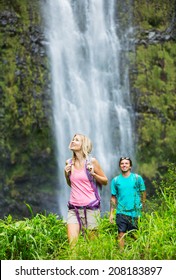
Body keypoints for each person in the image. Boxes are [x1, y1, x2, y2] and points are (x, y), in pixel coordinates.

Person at [64, 133, 108, 246]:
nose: (73, 141)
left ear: (83, 144)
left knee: (92, 246)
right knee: (72, 246)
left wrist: (93, 174)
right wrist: (66, 174)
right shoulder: (68, 163)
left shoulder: (91, 162)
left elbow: (105, 181)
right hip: (73, 208)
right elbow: (71, 184)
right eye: (73, 139)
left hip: (91, 208)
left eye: (77, 140)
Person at [109, 157, 146, 249]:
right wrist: (111, 213)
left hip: (135, 211)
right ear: (119, 166)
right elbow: (113, 198)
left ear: (130, 166)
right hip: (121, 211)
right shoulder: (115, 180)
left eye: (126, 163)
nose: (124, 165)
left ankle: (138, 253)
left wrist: (142, 205)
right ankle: (122, 255)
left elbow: (143, 192)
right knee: (121, 233)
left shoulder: (137, 178)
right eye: (122, 163)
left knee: (135, 234)